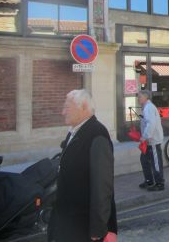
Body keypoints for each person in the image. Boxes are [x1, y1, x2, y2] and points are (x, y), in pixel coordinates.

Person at [48, 89, 117, 242]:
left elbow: (102, 186)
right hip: (68, 222)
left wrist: (98, 229)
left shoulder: (97, 134)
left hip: (82, 227)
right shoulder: (75, 131)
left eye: (67, 107)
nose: (62, 112)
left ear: (84, 107)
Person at [138, 90, 165, 191]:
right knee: (144, 160)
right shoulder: (146, 107)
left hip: (152, 140)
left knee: (156, 162)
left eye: (140, 96)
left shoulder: (148, 108)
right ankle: (149, 181)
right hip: (148, 141)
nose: (138, 98)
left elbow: (151, 124)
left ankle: (159, 183)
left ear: (146, 97)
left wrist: (144, 136)